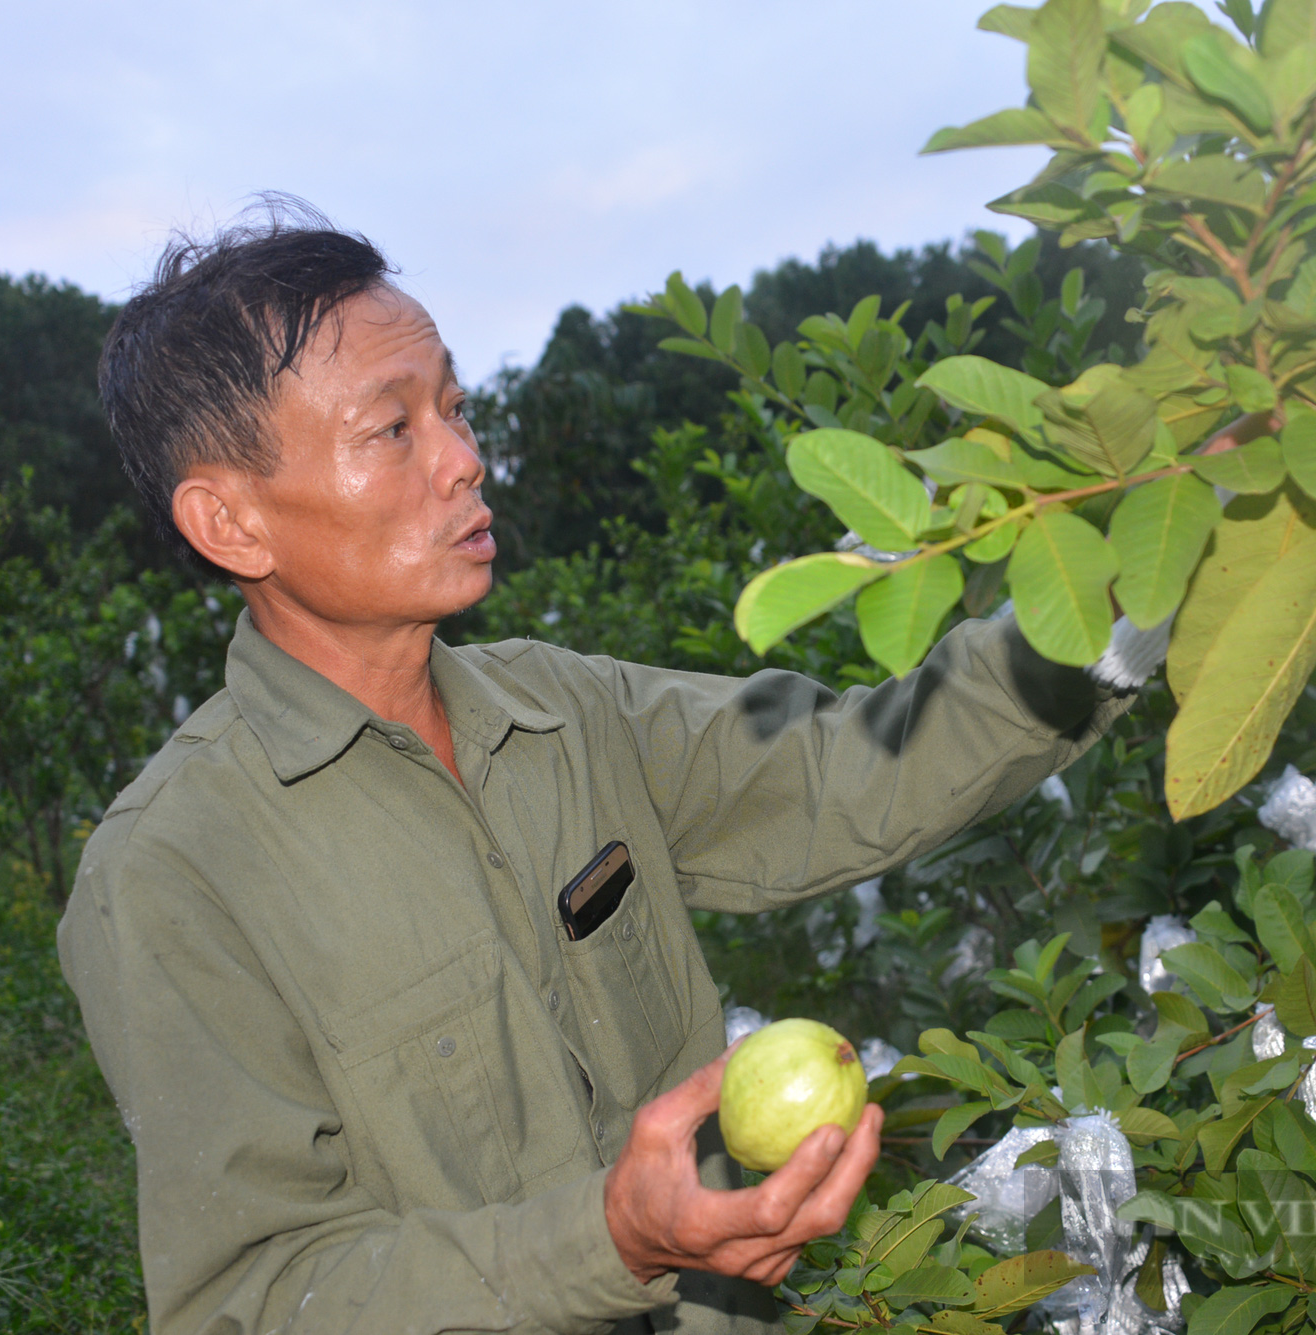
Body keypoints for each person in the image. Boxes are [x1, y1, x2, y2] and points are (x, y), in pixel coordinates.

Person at [58, 207, 1131, 1335]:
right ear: (229, 523)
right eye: (391, 430)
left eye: (456, 409)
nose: (466, 460)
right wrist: (607, 1245)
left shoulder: (567, 710)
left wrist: (1119, 600)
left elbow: (847, 767)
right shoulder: (173, 871)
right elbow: (259, 1296)